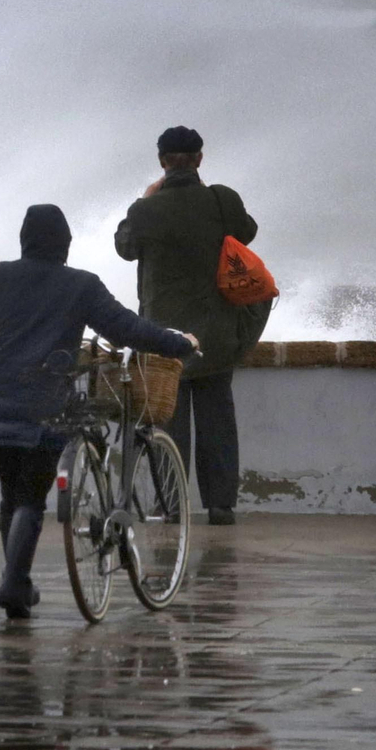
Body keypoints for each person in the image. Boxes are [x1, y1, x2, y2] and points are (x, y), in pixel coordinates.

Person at [0, 204, 197, 620]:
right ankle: (14, 584)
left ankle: (16, 584)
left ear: (24, 240)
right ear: (66, 245)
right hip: (46, 405)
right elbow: (127, 329)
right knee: (31, 499)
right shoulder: (79, 285)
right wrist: (176, 342)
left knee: (12, 495)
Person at [114, 126, 269, 527]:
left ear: (162, 162)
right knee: (218, 417)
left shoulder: (145, 210)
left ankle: (172, 506)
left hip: (165, 339)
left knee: (170, 419)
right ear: (200, 158)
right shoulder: (222, 199)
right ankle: (221, 507)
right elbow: (247, 232)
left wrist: (145, 199)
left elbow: (124, 248)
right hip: (217, 334)